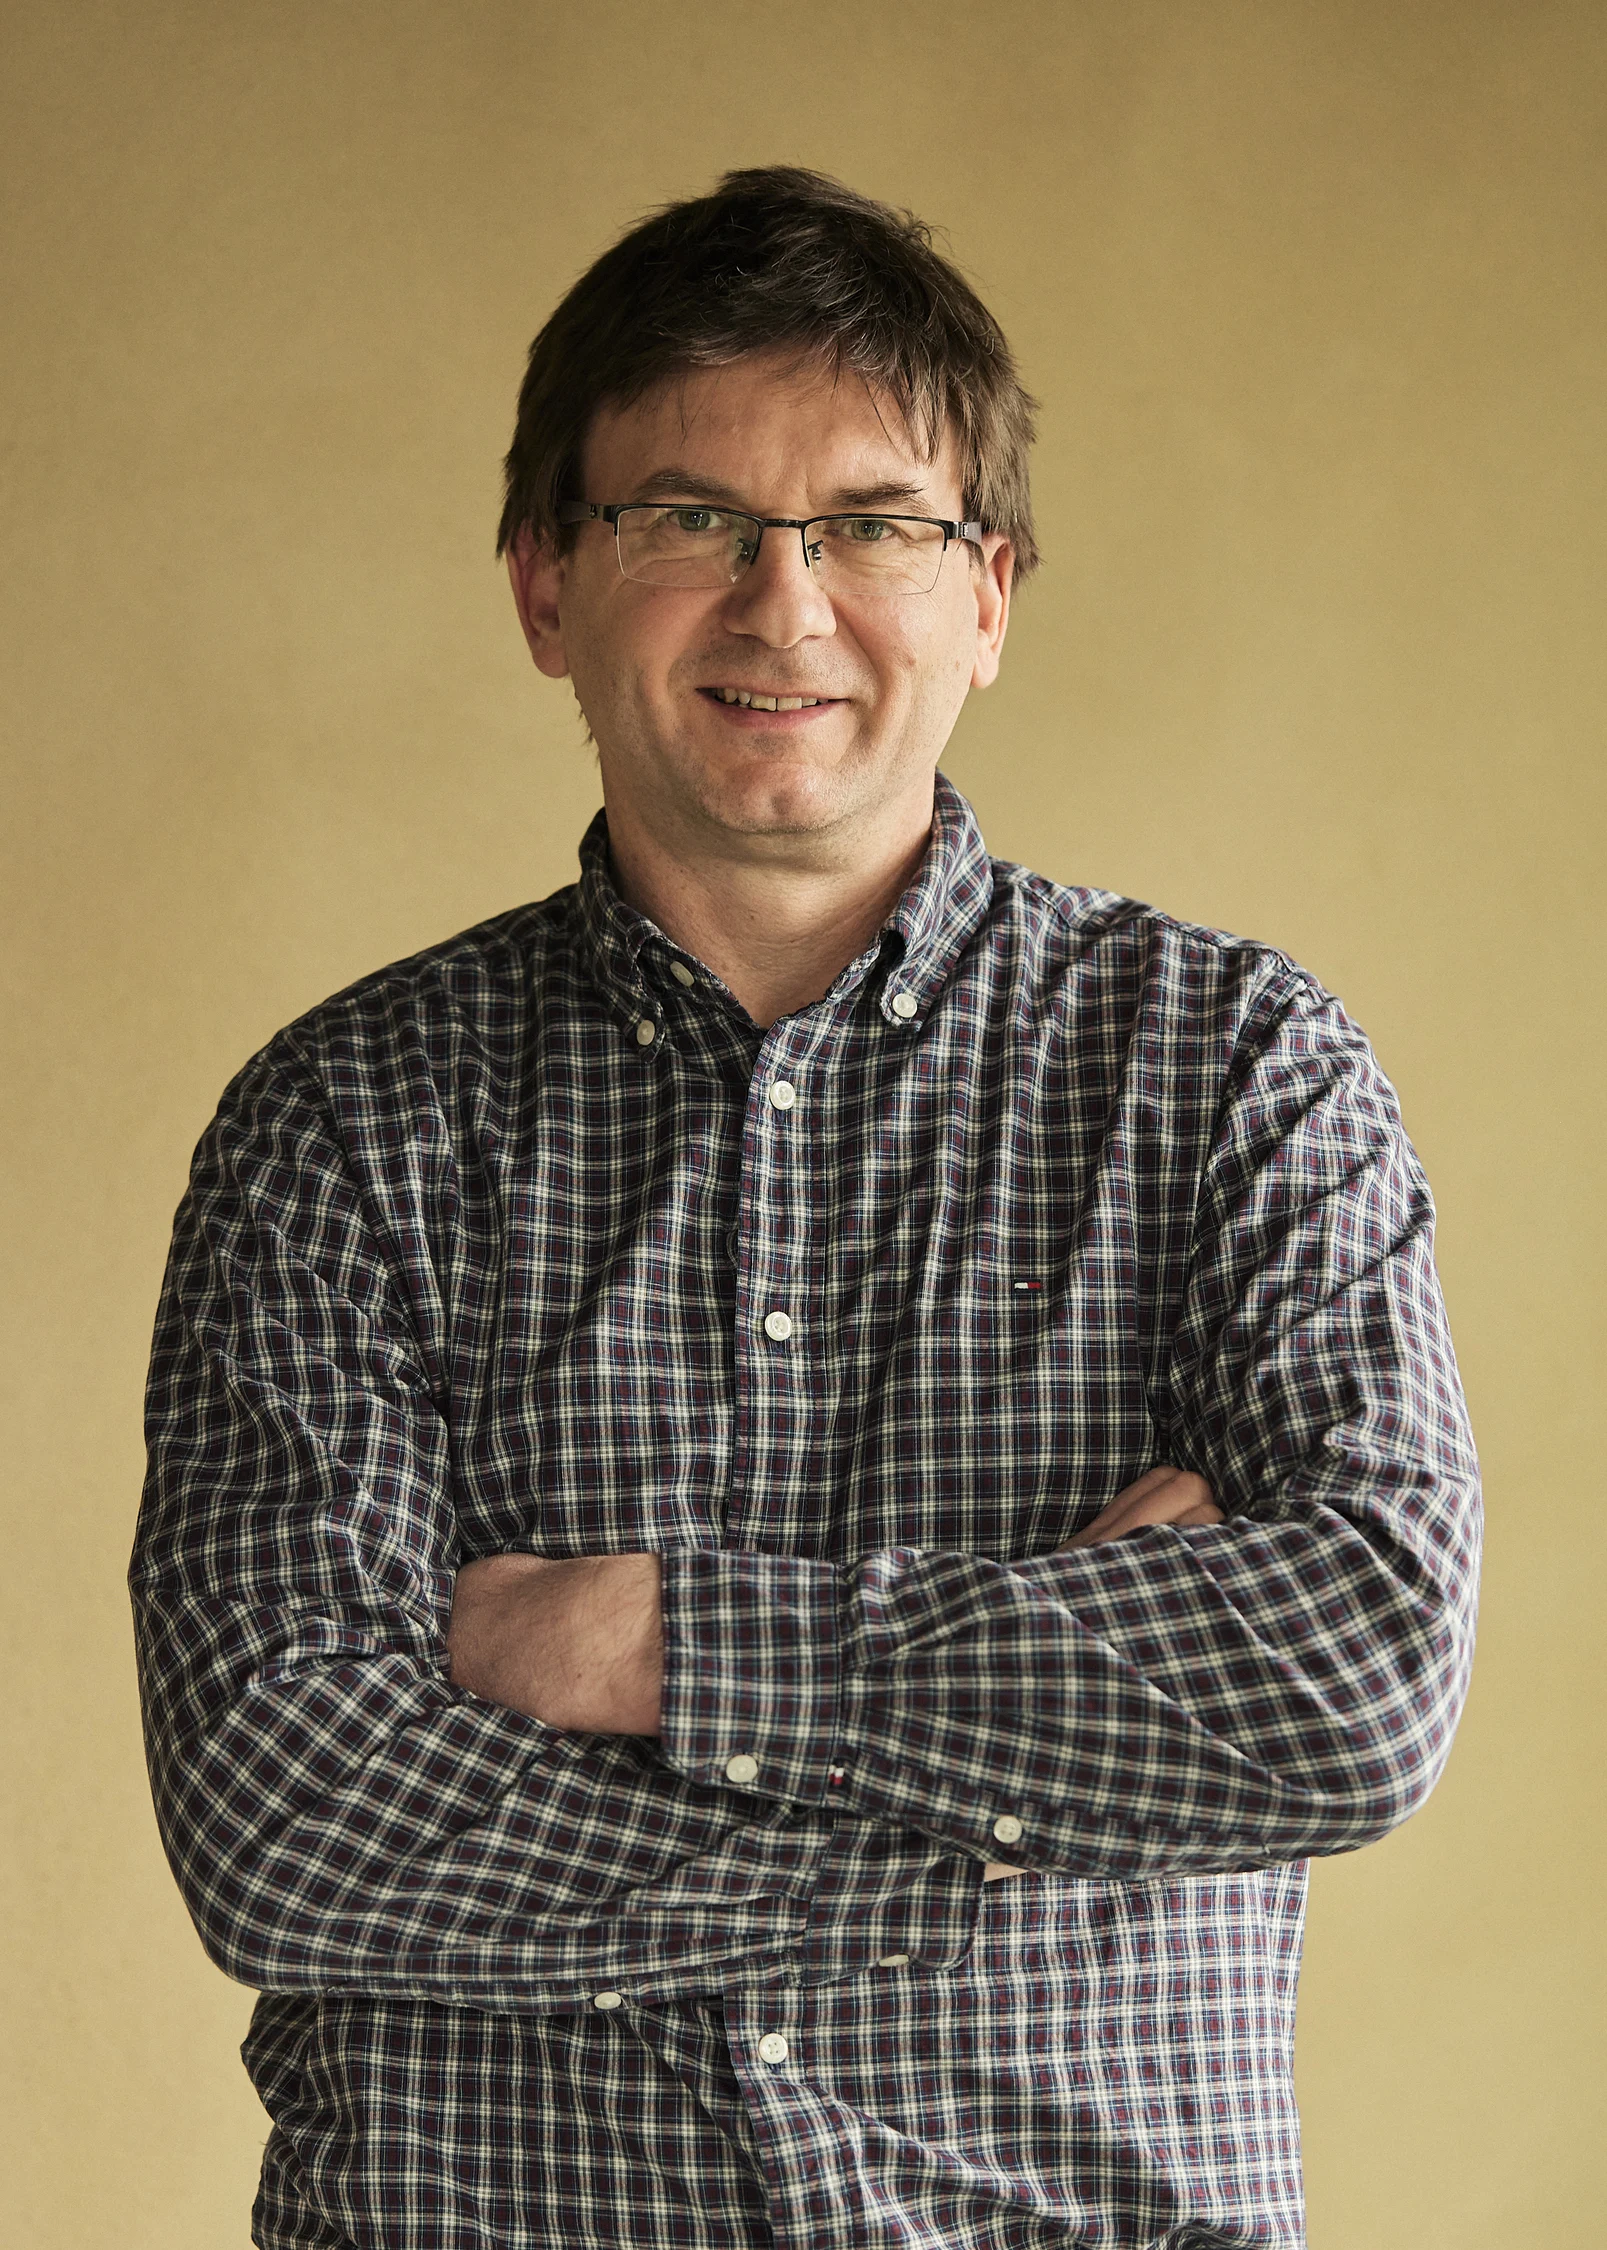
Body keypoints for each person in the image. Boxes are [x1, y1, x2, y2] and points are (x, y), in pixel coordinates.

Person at [130, 167, 1480, 2250]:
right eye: (688, 518)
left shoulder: (1233, 1072)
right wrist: (992, 1830)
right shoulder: (342, 1126)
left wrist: (648, 1640)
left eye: (872, 525)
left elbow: (1352, 1671)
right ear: (545, 588)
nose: (783, 605)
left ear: (987, 596)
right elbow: (290, 1814)